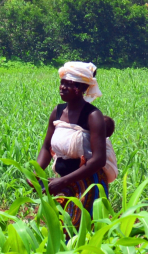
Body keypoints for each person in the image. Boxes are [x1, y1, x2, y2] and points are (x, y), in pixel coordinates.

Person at [32, 61, 120, 228]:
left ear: (80, 89)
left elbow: (98, 160)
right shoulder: (57, 112)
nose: (62, 87)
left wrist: (63, 182)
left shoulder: (93, 116)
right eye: (62, 83)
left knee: (82, 234)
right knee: (61, 232)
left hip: (87, 185)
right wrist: (35, 172)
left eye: (69, 84)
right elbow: (46, 148)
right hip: (62, 183)